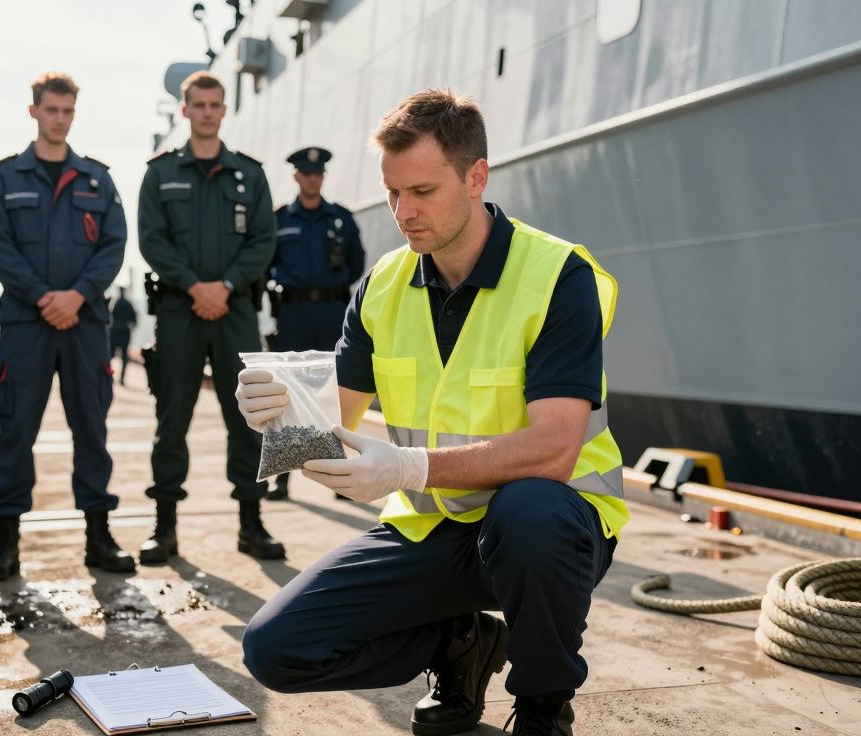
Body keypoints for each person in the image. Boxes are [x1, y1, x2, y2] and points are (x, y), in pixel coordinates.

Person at [237, 90, 630, 736]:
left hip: (554, 526)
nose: (403, 212)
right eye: (393, 193)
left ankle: (542, 702)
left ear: (476, 177)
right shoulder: (384, 287)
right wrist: (283, 415)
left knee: (528, 512)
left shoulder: (557, 276)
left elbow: (557, 448)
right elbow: (340, 413)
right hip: (440, 529)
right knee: (275, 649)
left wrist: (408, 466)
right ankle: (461, 645)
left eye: (421, 191)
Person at [0, 72, 134, 581]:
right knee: (16, 429)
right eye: (51, 111)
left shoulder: (96, 179)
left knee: (92, 428)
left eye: (67, 112)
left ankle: (98, 536)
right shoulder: (5, 178)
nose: (59, 120)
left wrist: (77, 295)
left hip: (85, 324)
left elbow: (113, 244)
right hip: (26, 323)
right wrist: (45, 297)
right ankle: (5, 544)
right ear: (34, 112)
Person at [136, 71, 285, 564]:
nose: (206, 112)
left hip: (234, 310)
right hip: (180, 310)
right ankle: (165, 528)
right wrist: (195, 286)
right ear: (185, 110)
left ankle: (251, 523)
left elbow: (264, 239)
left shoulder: (249, 173)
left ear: (223, 110)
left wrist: (221, 287)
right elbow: (152, 240)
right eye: (198, 104)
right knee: (171, 418)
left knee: (247, 418)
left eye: (214, 104)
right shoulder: (160, 173)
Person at [265, 146, 365, 501]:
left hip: (331, 312)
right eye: (306, 173)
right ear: (296, 176)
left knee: (336, 394)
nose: (312, 178)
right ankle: (283, 477)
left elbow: (356, 263)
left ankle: (338, 474)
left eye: (318, 173)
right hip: (292, 313)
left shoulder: (340, 218)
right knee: (287, 393)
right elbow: (266, 263)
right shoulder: (279, 220)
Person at [109, 286, 137, 385]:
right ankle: (114, 377)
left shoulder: (117, 303)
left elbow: (110, 318)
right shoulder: (127, 304)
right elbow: (134, 320)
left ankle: (110, 376)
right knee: (120, 357)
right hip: (123, 332)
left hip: (118, 332)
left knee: (112, 355)